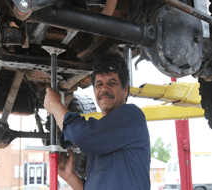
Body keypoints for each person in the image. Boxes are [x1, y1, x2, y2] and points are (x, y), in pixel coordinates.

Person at [44, 53, 151, 190]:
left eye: (111, 83)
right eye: (99, 84)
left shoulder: (132, 117)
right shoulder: (101, 138)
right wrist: (70, 176)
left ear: (125, 90)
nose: (104, 89)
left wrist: (55, 106)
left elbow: (81, 135)